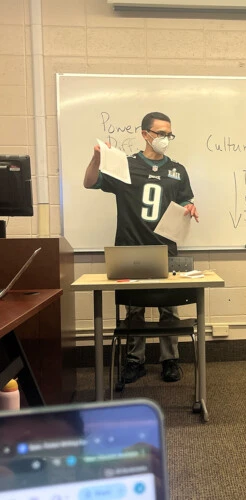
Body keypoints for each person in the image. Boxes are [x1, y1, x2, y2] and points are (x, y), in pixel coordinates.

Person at [84, 111, 199, 384]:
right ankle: (135, 360)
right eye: (161, 133)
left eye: (169, 133)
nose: (165, 138)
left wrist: (190, 208)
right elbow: (90, 182)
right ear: (145, 134)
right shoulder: (126, 165)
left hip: (166, 250)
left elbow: (185, 201)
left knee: (169, 309)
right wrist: (98, 158)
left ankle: (169, 359)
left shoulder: (178, 170)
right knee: (133, 308)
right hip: (130, 249)